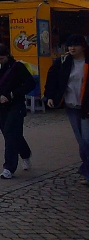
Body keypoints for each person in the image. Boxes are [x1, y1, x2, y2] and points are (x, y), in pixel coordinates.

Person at [43, 34, 89, 185]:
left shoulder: (86, 62)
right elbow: (52, 79)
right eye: (69, 46)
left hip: (87, 106)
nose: (72, 48)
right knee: (81, 141)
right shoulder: (63, 62)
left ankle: (87, 170)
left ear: (83, 46)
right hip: (71, 105)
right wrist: (49, 96)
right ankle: (87, 170)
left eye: (75, 45)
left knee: (87, 140)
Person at [0, 43, 36, 179]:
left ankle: (9, 167)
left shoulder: (17, 67)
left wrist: (14, 94)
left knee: (10, 133)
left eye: (2, 58)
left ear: (7, 55)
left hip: (15, 105)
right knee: (12, 135)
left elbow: (31, 83)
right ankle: (25, 154)